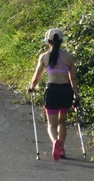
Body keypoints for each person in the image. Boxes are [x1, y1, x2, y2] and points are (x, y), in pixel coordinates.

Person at [28, 27, 79, 161]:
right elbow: (73, 78)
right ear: (62, 41)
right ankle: (61, 148)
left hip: (52, 91)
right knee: (62, 122)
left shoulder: (44, 57)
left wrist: (31, 87)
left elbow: (36, 77)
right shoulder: (68, 57)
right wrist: (76, 94)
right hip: (65, 91)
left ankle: (55, 141)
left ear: (48, 41)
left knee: (51, 124)